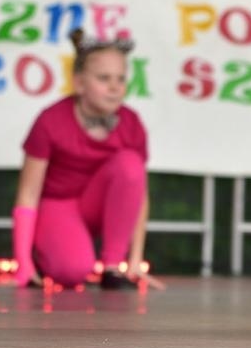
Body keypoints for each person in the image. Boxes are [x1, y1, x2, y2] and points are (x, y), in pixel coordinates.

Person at [12, 28, 155, 289]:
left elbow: (138, 195)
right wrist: (22, 263)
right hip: (59, 204)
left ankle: (113, 268)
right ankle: (46, 252)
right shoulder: (50, 120)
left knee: (130, 164)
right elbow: (28, 195)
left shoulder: (131, 123)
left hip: (99, 207)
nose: (114, 87)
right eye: (104, 78)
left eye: (121, 79)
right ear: (79, 83)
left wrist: (135, 260)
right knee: (71, 272)